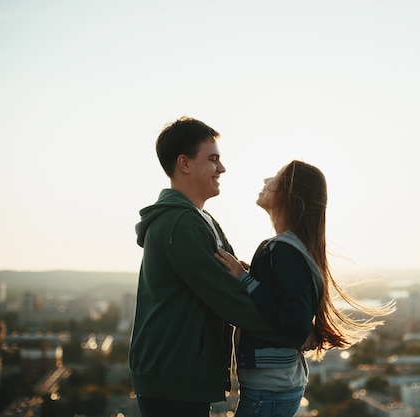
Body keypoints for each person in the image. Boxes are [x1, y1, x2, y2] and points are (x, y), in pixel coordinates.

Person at [129, 117, 300, 417]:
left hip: (181, 374)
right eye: (213, 159)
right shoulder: (180, 223)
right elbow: (228, 299)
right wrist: (291, 332)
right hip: (172, 377)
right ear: (184, 163)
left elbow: (232, 279)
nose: (222, 169)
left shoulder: (200, 219)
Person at [215, 160, 396, 417]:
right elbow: (285, 301)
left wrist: (245, 280)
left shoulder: (283, 249)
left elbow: (294, 324)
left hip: (269, 388)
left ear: (290, 196)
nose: (266, 180)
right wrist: (251, 275)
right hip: (277, 385)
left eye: (275, 177)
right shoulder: (293, 248)